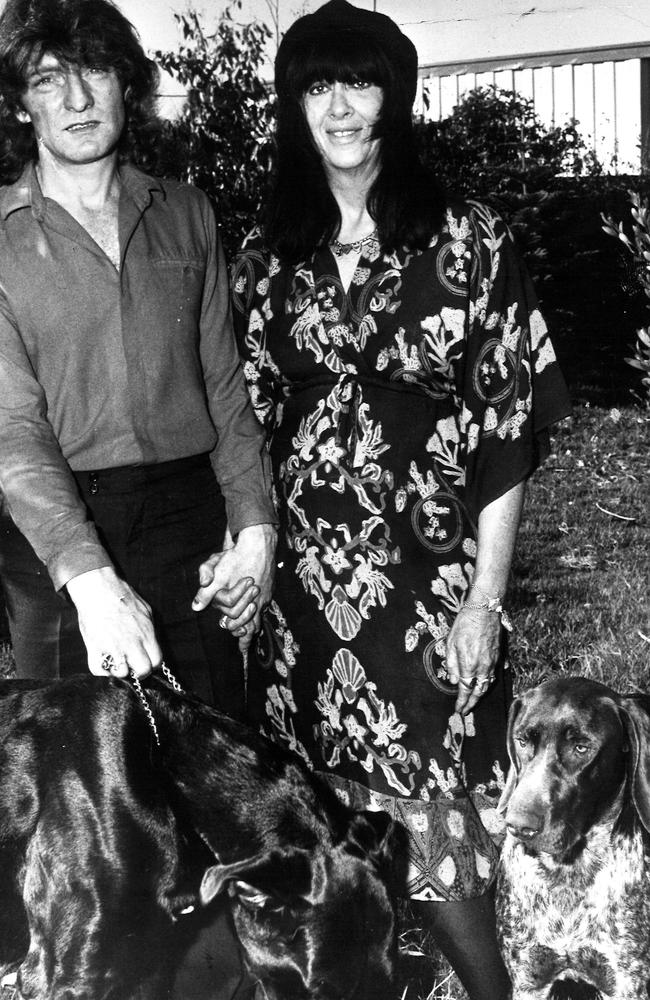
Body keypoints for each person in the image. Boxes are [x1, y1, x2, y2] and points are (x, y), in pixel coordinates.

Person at [216, 2, 571, 997]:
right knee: (321, 834)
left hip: (427, 589)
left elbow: (506, 431)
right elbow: (239, 425)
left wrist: (482, 598)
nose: (338, 104)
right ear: (292, 102)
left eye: (359, 82)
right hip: (300, 608)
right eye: (316, 84)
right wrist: (245, 551)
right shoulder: (263, 258)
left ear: (393, 97)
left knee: (434, 812)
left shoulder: (467, 245)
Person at [0, 2, 275, 996]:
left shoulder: (187, 212)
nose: (74, 98)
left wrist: (253, 529)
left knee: (208, 789)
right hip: (57, 545)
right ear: (21, 103)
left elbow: (225, 385)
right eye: (46, 79)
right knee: (82, 808)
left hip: (186, 523)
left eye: (93, 73)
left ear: (127, 84)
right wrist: (87, 580)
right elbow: (14, 435)